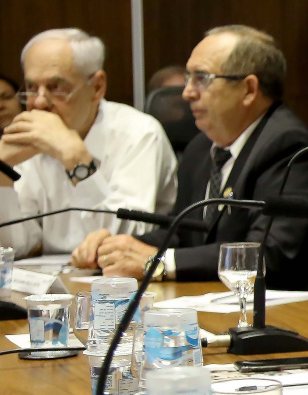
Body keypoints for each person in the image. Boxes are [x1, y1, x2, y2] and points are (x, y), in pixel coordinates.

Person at [72, 25, 308, 289]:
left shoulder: (290, 149)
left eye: (202, 78)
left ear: (248, 89)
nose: (186, 93)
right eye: (187, 78)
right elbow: (181, 233)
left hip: (294, 317)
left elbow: (265, 254)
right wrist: (117, 248)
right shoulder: (200, 148)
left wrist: (155, 262)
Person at [0, 29, 177, 258]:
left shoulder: (138, 133)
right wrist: (3, 173)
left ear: (97, 87)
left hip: (127, 280)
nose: (40, 102)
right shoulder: (29, 139)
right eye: (32, 88)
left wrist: (75, 158)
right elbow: (16, 248)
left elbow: (126, 236)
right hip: (52, 283)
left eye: (56, 87)